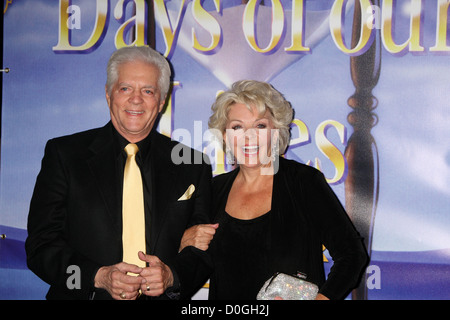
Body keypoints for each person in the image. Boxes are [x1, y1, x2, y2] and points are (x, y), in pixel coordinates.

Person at [25, 46, 212, 300]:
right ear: (108, 94)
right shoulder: (64, 155)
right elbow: (41, 247)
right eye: (125, 89)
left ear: (161, 101)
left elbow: (203, 253)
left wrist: (172, 276)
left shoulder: (193, 164)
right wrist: (96, 277)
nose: (136, 99)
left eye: (148, 91)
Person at [181, 80, 368, 300]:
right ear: (225, 136)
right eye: (237, 127)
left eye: (260, 126)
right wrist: (183, 242)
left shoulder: (303, 182)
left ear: (276, 132)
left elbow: (352, 255)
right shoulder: (214, 190)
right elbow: (188, 275)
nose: (248, 137)